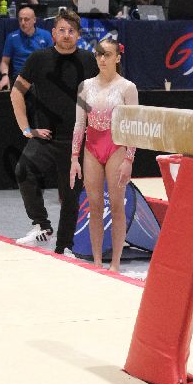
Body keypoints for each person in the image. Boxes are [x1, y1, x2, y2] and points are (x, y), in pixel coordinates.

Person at [10, 9, 97, 255]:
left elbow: (101, 93)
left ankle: (65, 246)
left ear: (78, 35)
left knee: (70, 194)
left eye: (71, 31)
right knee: (23, 171)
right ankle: (41, 225)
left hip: (77, 138)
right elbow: (16, 92)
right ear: (53, 33)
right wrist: (26, 129)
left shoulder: (89, 60)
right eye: (62, 30)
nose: (66, 35)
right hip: (46, 135)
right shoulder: (38, 58)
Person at [70, 36, 139, 272]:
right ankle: (98, 261)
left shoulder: (127, 88)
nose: (101, 59)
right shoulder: (85, 86)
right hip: (92, 147)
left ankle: (116, 263)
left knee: (117, 205)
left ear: (117, 58)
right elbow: (79, 124)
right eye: (99, 54)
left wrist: (129, 159)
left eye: (107, 55)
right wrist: (74, 158)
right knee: (95, 206)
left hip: (116, 146)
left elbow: (133, 127)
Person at [0, 4, 52, 90]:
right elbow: (4, 62)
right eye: (20, 19)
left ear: (34, 20)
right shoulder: (12, 37)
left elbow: (51, 60)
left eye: (26, 19)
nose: (23, 23)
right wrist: (5, 76)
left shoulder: (46, 35)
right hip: (20, 78)